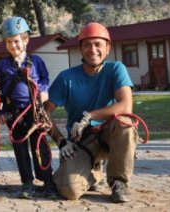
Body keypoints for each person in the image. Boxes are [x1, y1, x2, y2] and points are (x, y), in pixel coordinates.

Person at [45, 22, 137, 203]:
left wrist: (89, 116)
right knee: (69, 191)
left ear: (107, 48)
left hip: (109, 134)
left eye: (98, 44)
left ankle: (119, 182)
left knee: (125, 122)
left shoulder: (116, 69)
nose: (92, 49)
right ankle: (94, 172)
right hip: (82, 140)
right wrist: (61, 142)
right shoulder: (66, 78)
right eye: (87, 44)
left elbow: (126, 105)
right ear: (80, 48)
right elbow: (44, 113)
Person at [0, 17, 58, 199]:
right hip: (13, 114)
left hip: (35, 112)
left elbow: (45, 79)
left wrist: (44, 92)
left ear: (25, 40)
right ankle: (27, 183)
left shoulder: (36, 61)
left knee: (41, 147)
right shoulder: (2, 65)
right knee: (20, 149)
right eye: (8, 42)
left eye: (16, 41)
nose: (12, 46)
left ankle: (47, 181)